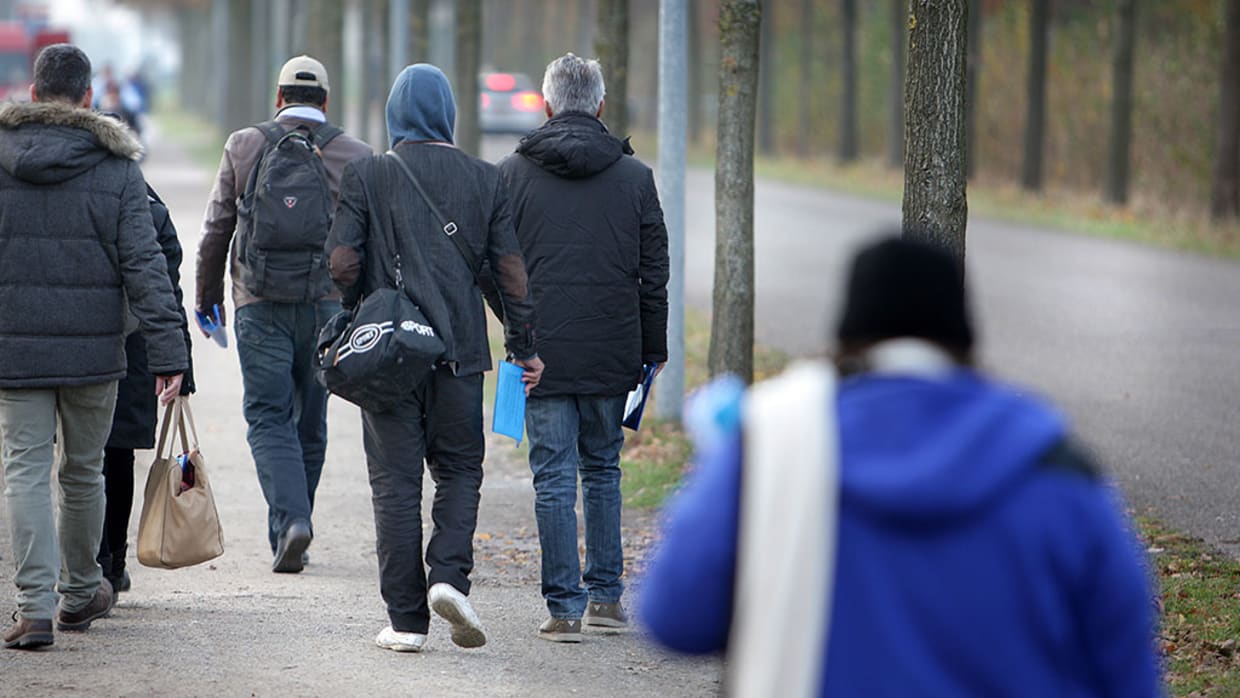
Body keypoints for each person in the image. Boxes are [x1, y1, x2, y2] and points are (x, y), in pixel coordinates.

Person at [638, 236, 1163, 696]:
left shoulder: (774, 446)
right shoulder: (1058, 470)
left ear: (845, 340)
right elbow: (1127, 672)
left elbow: (673, 615)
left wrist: (717, 472)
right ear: (965, 338)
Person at [326, 63, 543, 653]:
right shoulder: (485, 178)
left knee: (394, 484)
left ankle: (405, 621)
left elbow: (343, 261)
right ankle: (449, 577)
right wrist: (523, 346)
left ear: (397, 116)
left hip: (390, 359)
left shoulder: (368, 174)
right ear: (447, 114)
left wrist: (357, 307)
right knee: (459, 471)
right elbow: (510, 275)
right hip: (460, 356)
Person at [0, 43, 187, 650]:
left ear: (32, 93)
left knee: (25, 470)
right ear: (88, 98)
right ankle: (80, 593)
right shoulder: (116, 169)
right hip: (94, 356)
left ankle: (33, 610)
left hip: (15, 350)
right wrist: (169, 353)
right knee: (82, 472)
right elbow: (146, 265)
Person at [497, 53, 669, 643]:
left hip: (538, 354)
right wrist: (654, 349)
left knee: (551, 477)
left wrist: (517, 336)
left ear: (545, 105)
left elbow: (491, 268)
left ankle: (562, 608)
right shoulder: (636, 178)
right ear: (599, 106)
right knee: (602, 469)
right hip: (611, 349)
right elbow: (655, 272)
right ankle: (607, 599)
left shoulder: (511, 174)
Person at [196, 55, 372, 574]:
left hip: (259, 303)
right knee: (311, 421)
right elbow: (370, 241)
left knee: (269, 415)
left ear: (278, 99)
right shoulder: (355, 154)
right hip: (326, 308)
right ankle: (296, 525)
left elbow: (216, 227)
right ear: (326, 101)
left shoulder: (244, 145)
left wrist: (208, 297)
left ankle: (291, 522)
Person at [97, 183, 197, 595]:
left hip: (69, 345)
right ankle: (112, 563)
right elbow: (165, 292)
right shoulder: (148, 209)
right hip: (133, 349)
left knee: (77, 459)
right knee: (117, 455)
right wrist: (178, 361)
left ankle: (88, 561)